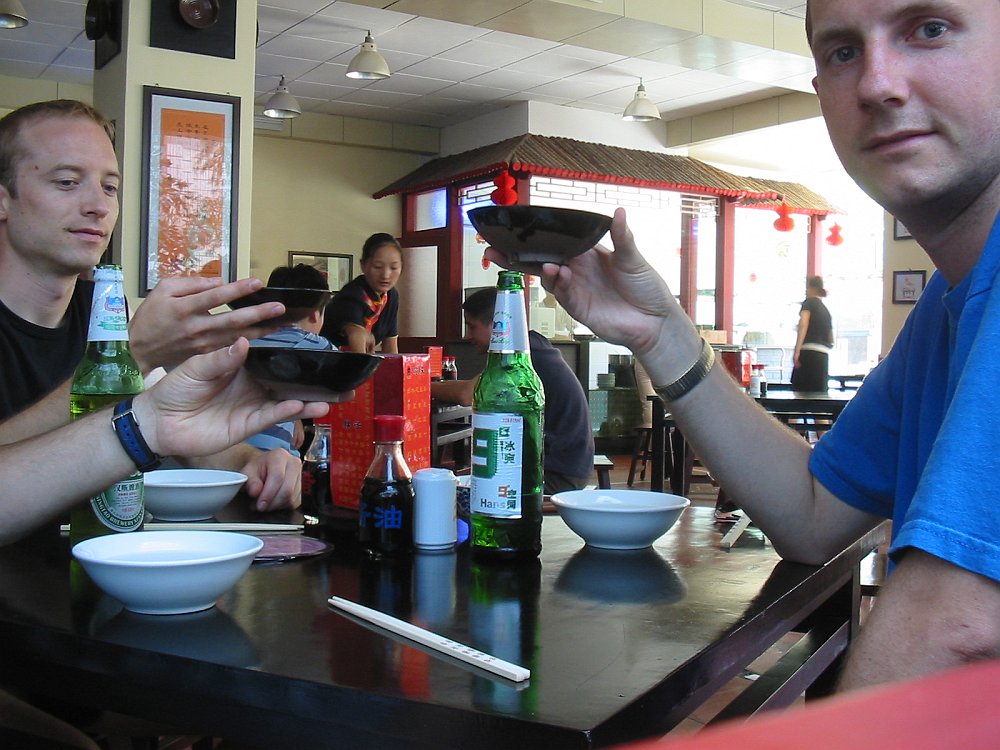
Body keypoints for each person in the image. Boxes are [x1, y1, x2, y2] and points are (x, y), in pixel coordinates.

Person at [487, 0, 1000, 692]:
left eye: (929, 29)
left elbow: (957, 630)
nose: (878, 84)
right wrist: (662, 332)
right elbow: (814, 515)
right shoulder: (946, 305)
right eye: (843, 52)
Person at [0, 99, 303, 511]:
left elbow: (166, 418)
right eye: (67, 182)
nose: (99, 206)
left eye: (110, 187)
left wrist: (250, 462)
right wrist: (134, 355)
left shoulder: (103, 311)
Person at [0, 339, 329, 547]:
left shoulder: (106, 302)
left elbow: (168, 427)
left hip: (115, 562)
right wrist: (139, 355)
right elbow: (147, 423)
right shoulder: (119, 326)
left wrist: (247, 462)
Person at [431, 288, 594, 493]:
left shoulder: (520, 354)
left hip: (555, 473)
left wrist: (422, 387)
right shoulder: (531, 344)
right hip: (564, 466)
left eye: (472, 327)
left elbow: (467, 395)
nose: (468, 335)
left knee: (464, 492)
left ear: (497, 324)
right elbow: (474, 387)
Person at [247, 263, 335, 455]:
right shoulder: (314, 344)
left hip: (227, 448)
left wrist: (295, 418)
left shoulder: (247, 338)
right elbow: (343, 370)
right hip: (272, 452)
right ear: (315, 314)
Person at [321, 232, 402, 353]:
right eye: (377, 266)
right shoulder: (352, 295)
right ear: (363, 265)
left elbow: (391, 347)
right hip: (329, 358)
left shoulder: (391, 296)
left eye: (394, 268)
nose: (386, 275)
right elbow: (357, 340)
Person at [791, 275, 834, 391]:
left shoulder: (808, 303)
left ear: (813, 288)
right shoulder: (826, 311)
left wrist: (796, 351)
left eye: (807, 287)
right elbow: (831, 339)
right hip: (823, 356)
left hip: (808, 353)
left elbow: (803, 324)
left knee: (800, 393)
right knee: (818, 396)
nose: (806, 290)